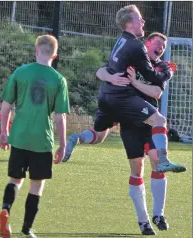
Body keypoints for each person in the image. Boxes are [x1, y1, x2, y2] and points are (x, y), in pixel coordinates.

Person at [62, 32, 178, 235]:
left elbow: (156, 93)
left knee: (156, 162)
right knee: (136, 169)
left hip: (149, 122)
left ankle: (159, 214)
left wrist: (134, 83)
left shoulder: (161, 68)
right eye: (158, 42)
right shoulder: (132, 56)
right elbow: (101, 71)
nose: (161, 47)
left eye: (164, 45)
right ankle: (143, 222)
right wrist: (111, 77)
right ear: (147, 43)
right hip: (129, 121)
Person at [63, 5, 186, 175]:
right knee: (159, 120)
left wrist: (111, 77)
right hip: (122, 98)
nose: (143, 21)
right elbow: (152, 77)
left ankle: (77, 137)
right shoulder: (137, 47)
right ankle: (163, 160)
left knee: (98, 137)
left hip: (106, 95)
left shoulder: (121, 41)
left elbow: (103, 70)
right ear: (129, 24)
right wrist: (168, 73)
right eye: (139, 18)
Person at [0, 34, 70, 238]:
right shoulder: (58, 80)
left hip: (19, 136)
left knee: (15, 179)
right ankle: (27, 229)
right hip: (42, 139)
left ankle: (6, 209)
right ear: (54, 55)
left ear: (36, 50)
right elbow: (60, 117)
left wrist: (4, 132)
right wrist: (63, 144)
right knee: (37, 184)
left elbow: (5, 107)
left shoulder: (21, 72)